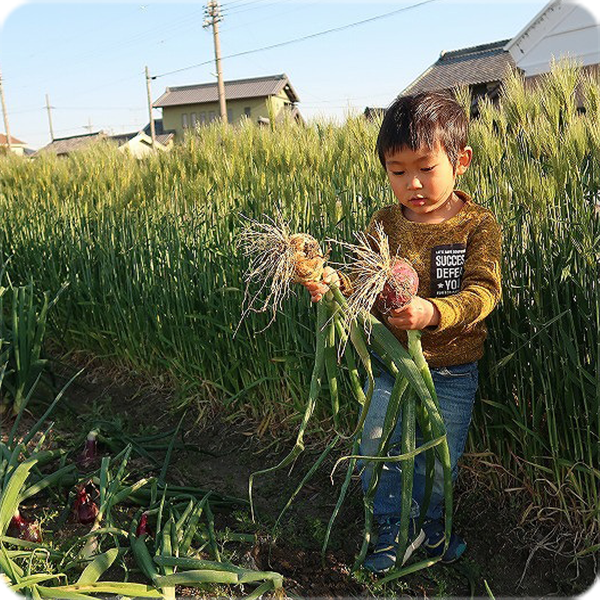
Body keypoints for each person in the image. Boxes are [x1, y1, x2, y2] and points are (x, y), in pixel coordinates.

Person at [304, 91, 502, 574]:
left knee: (439, 457)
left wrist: (432, 312)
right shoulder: (385, 224)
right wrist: (331, 282)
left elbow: (485, 292)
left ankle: (433, 528)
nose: (412, 182)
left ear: (462, 161)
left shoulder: (478, 225)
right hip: (391, 364)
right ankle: (391, 531)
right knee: (378, 445)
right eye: (397, 171)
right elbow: (361, 283)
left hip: (453, 371)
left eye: (426, 167)